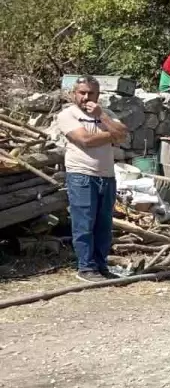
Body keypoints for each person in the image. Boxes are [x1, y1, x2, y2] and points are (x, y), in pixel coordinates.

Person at [57, 76, 128, 283]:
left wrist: (103, 118)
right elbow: (85, 140)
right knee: (84, 224)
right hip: (81, 175)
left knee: (104, 224)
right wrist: (113, 135)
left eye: (91, 93)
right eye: (82, 92)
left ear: (98, 95)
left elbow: (124, 134)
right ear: (74, 94)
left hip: (106, 176)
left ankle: (100, 265)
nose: (86, 97)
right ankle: (86, 268)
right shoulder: (68, 115)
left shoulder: (105, 114)